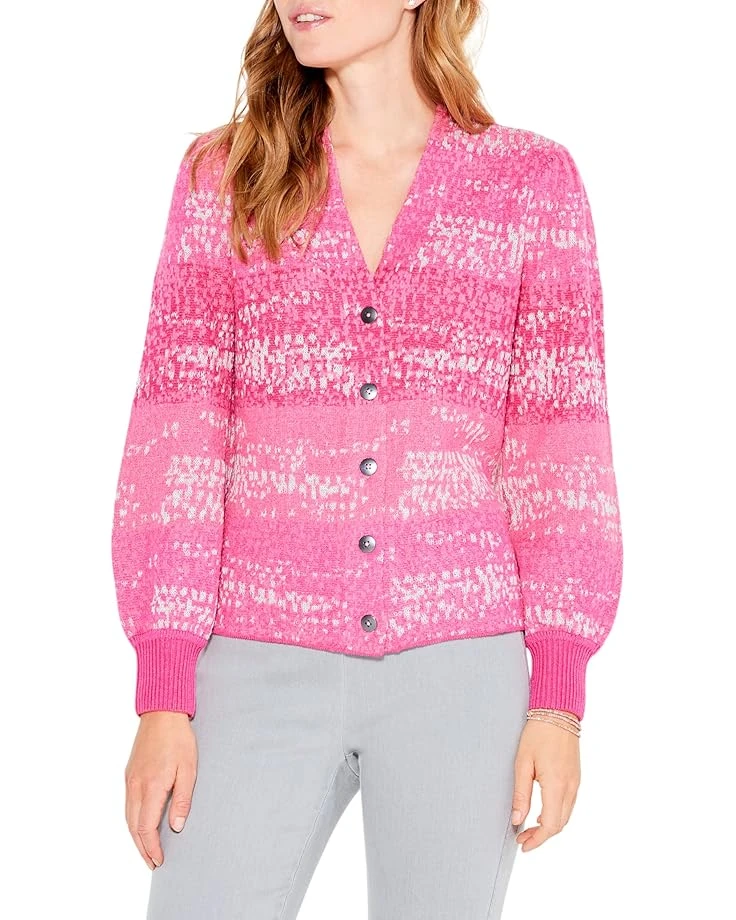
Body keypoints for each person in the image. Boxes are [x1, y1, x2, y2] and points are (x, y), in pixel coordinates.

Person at [111, 1, 624, 917]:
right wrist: (162, 690)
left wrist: (557, 697)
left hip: (459, 666)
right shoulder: (228, 178)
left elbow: (561, 450)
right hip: (251, 657)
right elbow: (177, 439)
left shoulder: (528, 183)